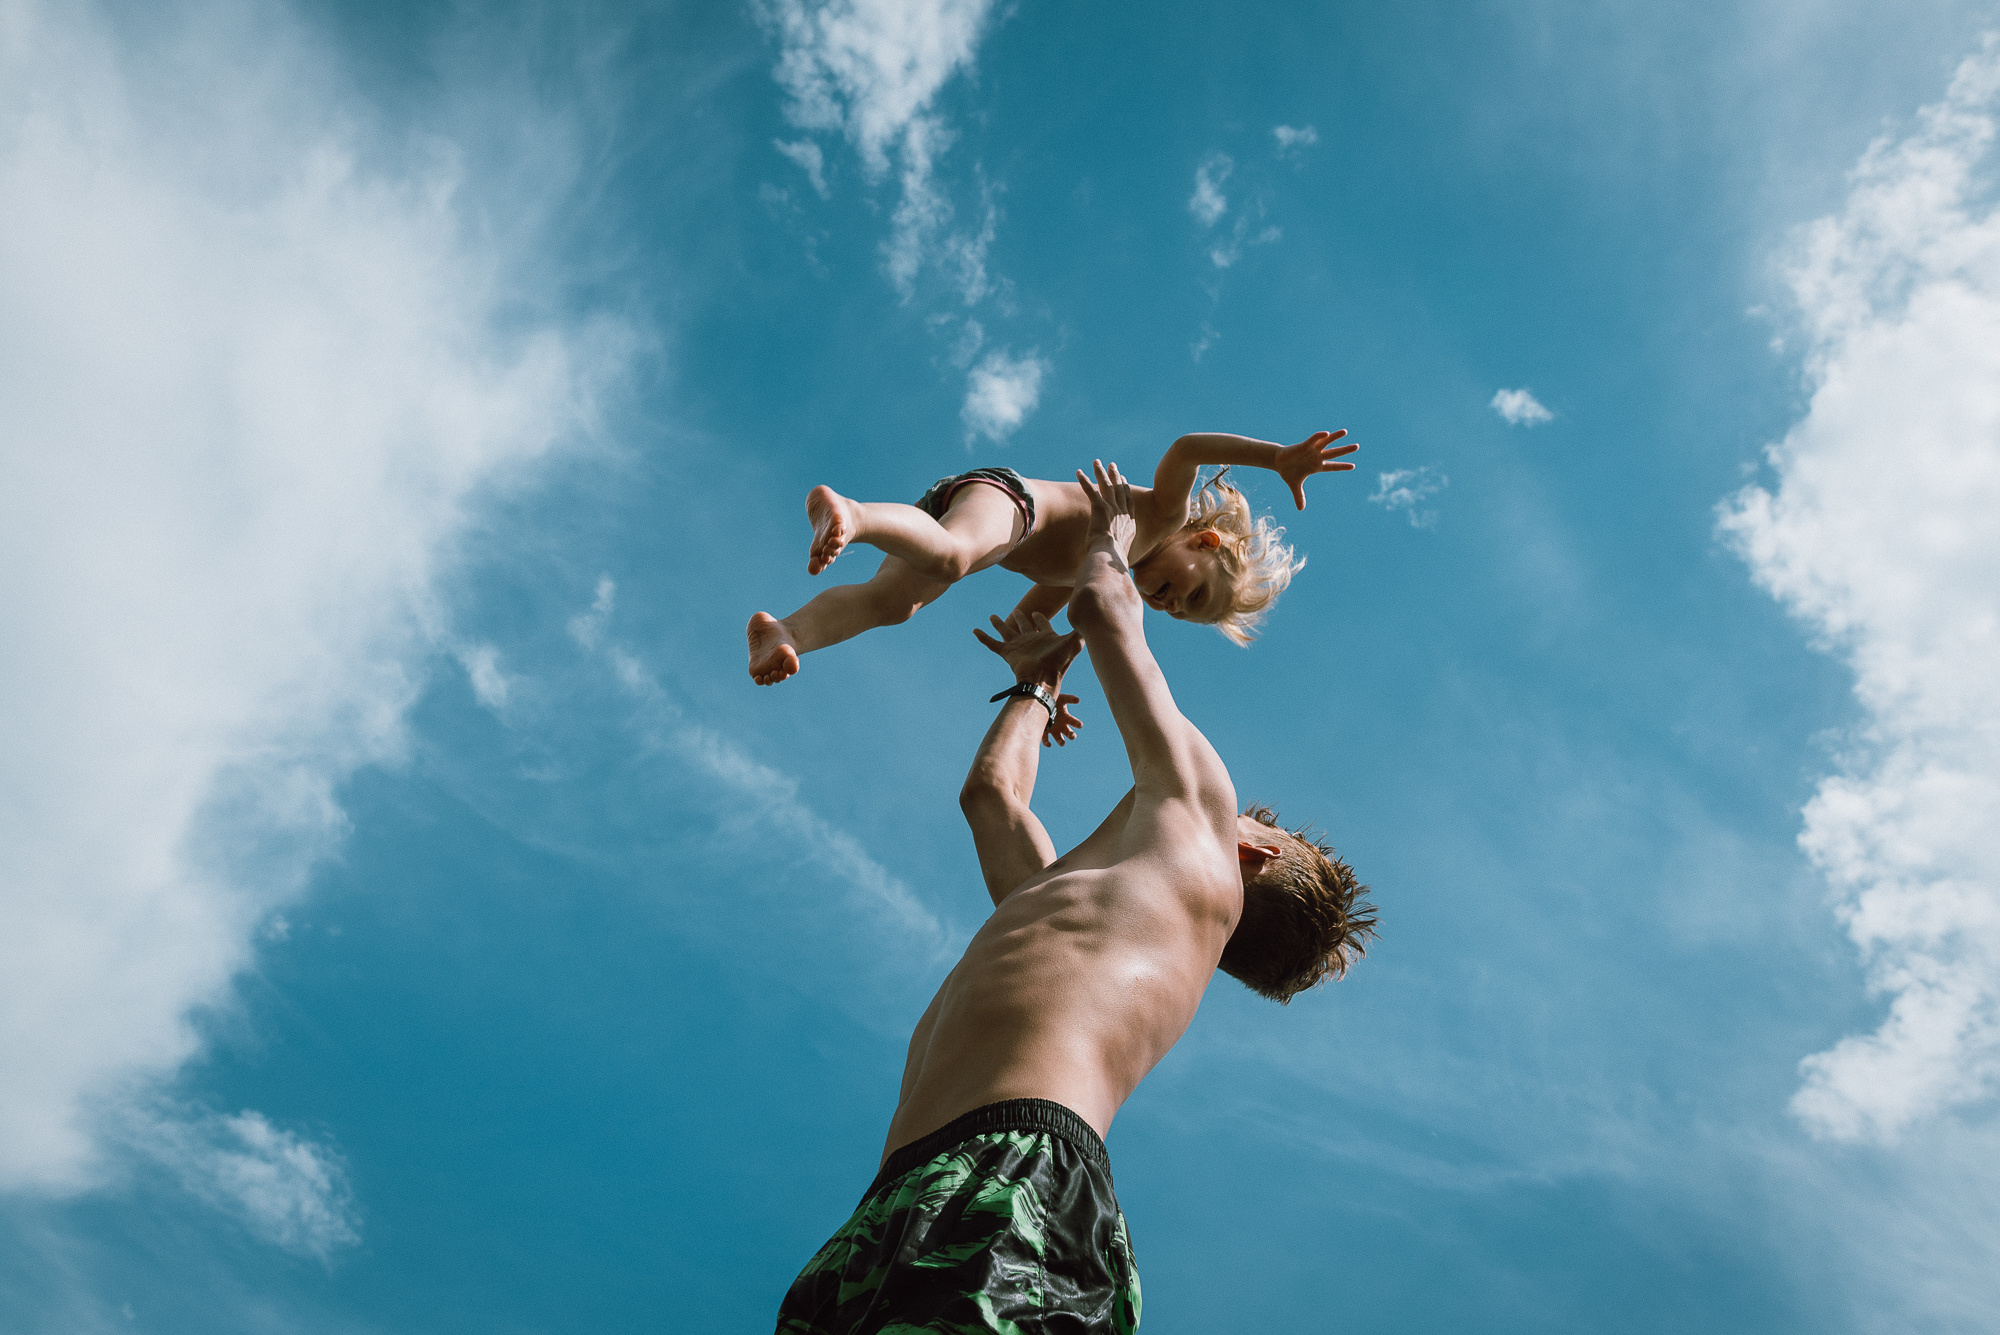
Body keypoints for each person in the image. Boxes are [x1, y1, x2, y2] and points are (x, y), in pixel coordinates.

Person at [774, 462, 1376, 1333]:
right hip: (897, 1202)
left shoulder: (1206, 816)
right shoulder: (1083, 909)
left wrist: (1113, 535)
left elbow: (1102, 608)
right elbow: (992, 798)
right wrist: (1034, 686)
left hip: (1022, 1171)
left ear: (1258, 849)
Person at [746, 430, 1358, 685]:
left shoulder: (1098, 566)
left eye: (1179, 613)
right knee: (953, 559)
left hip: (951, 516)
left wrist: (1041, 680)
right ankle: (853, 514)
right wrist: (1277, 458)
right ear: (1205, 543)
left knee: (893, 603)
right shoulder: (1163, 516)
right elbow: (1186, 450)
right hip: (1007, 501)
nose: (1170, 604)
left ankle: (786, 631)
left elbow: (1025, 623)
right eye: (1192, 593)